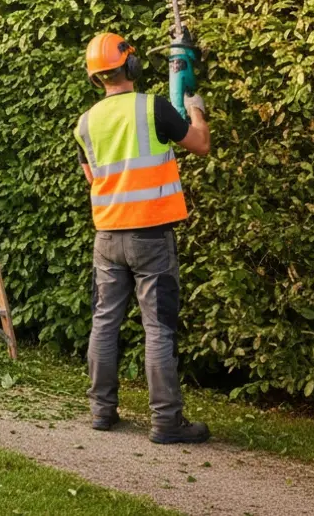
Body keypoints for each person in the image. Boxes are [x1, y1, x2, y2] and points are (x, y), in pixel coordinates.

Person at [73, 32, 212, 445]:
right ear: (131, 65)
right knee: (158, 328)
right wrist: (196, 108)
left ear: (95, 77)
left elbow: (94, 179)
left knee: (104, 323)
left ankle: (101, 412)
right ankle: (166, 422)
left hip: (107, 237)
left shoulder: (85, 123)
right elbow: (200, 144)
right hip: (150, 235)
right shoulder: (153, 107)